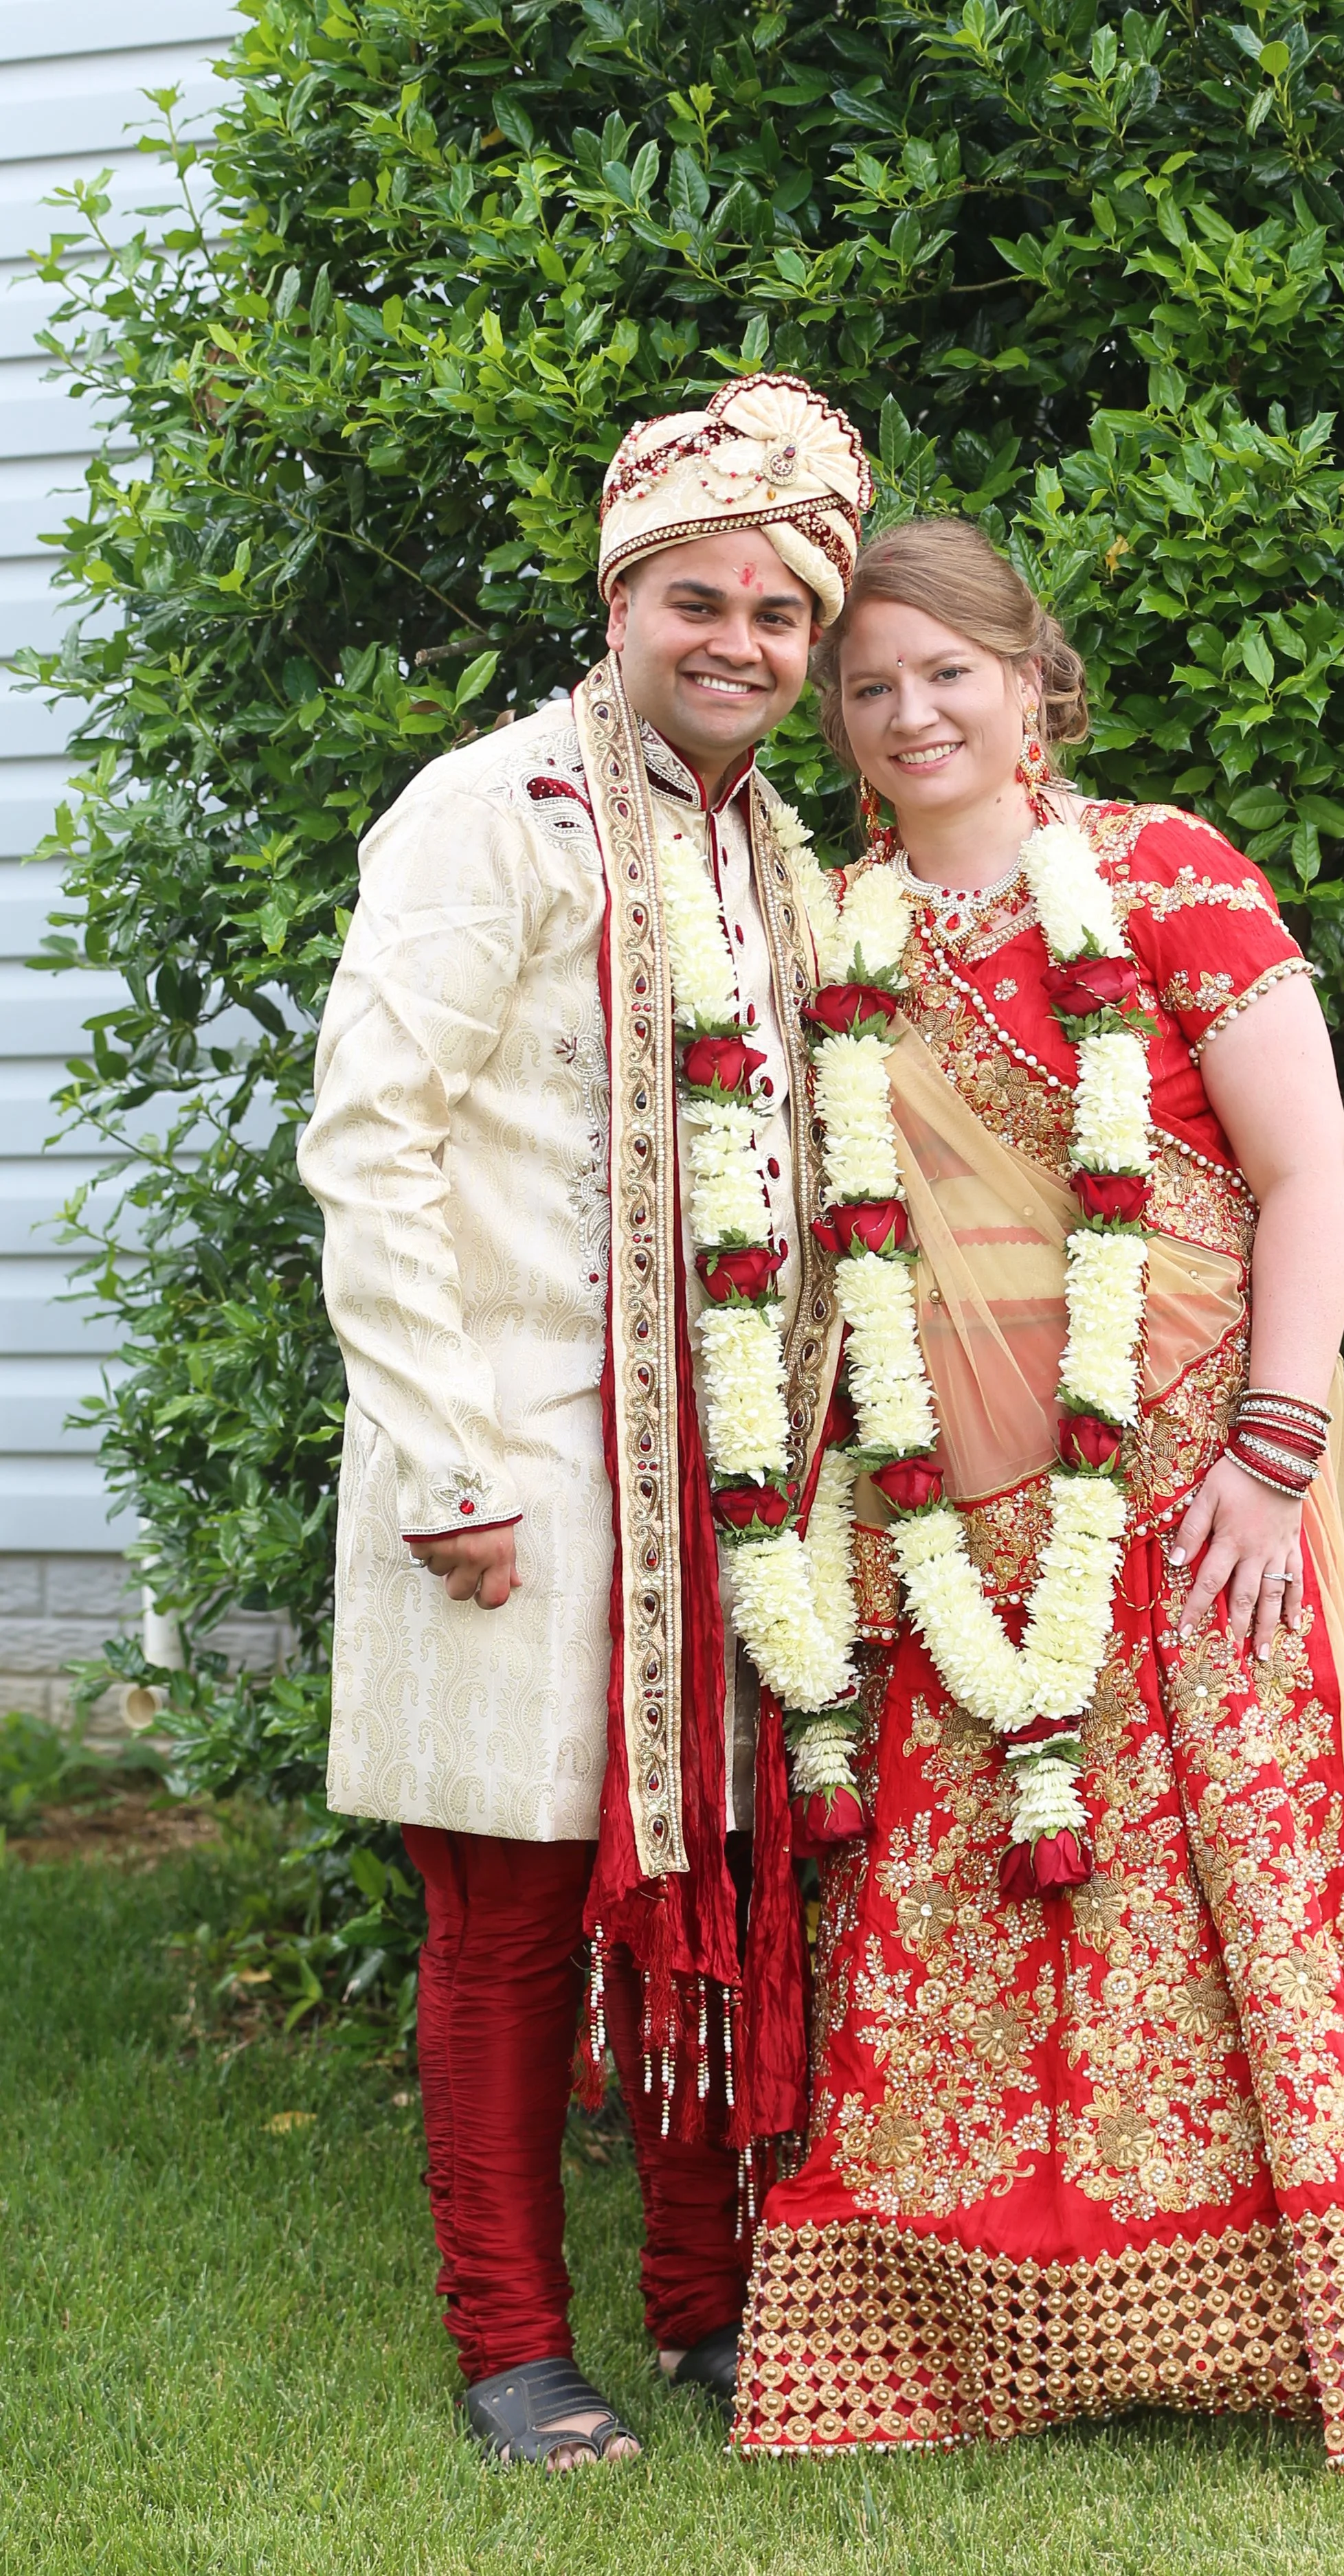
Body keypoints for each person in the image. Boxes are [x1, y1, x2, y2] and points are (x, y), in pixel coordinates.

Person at [730, 518, 1344, 2473]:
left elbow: (1307, 1170)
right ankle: (937, 2339)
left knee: (1243, 1904)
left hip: (1206, 1477)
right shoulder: (834, 930)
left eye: (942, 672)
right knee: (976, 1925)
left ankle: (1302, 2339)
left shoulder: (1162, 874)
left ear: (1030, 677)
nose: (906, 713)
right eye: (867, 687)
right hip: (952, 1512)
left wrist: (1273, 1446)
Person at [297, 375, 870, 2467]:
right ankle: (512, 2343)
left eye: (779, 613)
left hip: (726, 1484)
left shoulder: (775, 852)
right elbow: (372, 1141)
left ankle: (708, 2311)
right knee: (517, 1912)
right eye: (696, 597)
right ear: (619, 598)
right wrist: (445, 1454)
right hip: (515, 1461)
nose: (738, 640)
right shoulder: (493, 809)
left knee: (713, 1886)